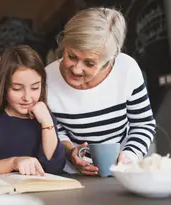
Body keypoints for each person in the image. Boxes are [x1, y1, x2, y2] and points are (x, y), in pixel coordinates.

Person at [45, 7, 156, 175]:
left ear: (109, 60)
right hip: (73, 175)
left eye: (89, 63)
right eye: (71, 56)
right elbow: (54, 130)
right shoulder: (46, 78)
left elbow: (143, 124)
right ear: (64, 44)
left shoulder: (126, 69)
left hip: (122, 173)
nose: (76, 69)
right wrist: (70, 152)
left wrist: (129, 156)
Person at [0, 45, 65, 176]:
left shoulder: (45, 118)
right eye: (17, 89)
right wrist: (14, 163)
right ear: (3, 86)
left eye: (35, 88)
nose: (27, 97)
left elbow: (54, 168)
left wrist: (47, 123)